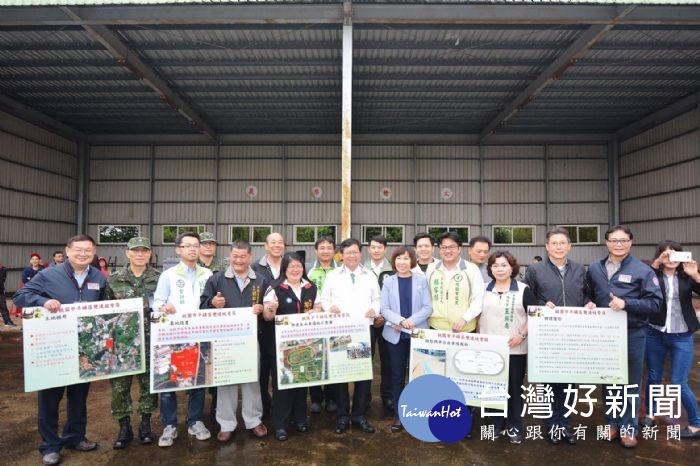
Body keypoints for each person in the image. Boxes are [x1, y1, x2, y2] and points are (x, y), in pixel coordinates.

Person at [13, 235, 106, 466]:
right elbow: (20, 296)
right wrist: (41, 301)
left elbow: (104, 305)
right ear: (67, 250)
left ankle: (75, 437)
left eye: (88, 251)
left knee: (79, 396)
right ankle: (50, 445)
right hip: (55, 346)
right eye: (78, 250)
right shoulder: (48, 274)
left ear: (94, 253)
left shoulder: (98, 277)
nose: (83, 254)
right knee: (49, 398)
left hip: (85, 347)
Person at [587, 225, 662, 448]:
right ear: (607, 242)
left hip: (632, 333)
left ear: (630, 243)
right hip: (603, 334)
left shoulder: (643, 270)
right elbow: (588, 293)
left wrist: (627, 303)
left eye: (623, 240)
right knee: (609, 382)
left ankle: (629, 428)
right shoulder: (595, 268)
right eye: (614, 240)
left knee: (630, 383)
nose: (618, 244)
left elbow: (655, 303)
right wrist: (587, 302)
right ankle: (612, 423)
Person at [524, 227, 595, 445]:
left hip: (572, 335)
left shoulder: (580, 270)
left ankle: (565, 424)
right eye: (554, 243)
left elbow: (587, 294)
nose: (558, 247)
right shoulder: (535, 270)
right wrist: (541, 304)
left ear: (569, 246)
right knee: (548, 383)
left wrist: (588, 303)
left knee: (569, 384)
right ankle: (551, 425)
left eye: (562, 243)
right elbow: (527, 298)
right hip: (547, 334)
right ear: (546, 246)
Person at [200, 240, 270, 442]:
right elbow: (202, 305)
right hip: (224, 340)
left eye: (243, 256)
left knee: (251, 380)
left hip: (250, 339)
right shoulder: (217, 279)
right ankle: (226, 423)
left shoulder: (261, 280)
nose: (238, 260)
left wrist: (262, 309)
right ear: (230, 256)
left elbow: (269, 306)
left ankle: (254, 420)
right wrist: (212, 303)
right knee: (226, 381)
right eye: (235, 256)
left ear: (250, 257)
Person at [152, 232, 213, 447]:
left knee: (197, 379)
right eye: (188, 246)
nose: (193, 250)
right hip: (173, 334)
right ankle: (169, 425)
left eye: (196, 246)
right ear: (178, 249)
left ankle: (195, 420)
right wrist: (163, 307)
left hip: (200, 332)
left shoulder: (207, 274)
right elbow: (157, 301)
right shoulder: (168, 275)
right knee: (169, 381)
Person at [641, 240, 700, 439]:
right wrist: (655, 265)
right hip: (655, 333)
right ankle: (650, 413)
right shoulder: (652, 274)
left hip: (682, 336)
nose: (671, 258)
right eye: (667, 254)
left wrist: (695, 275)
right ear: (660, 256)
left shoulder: (688, 276)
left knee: (678, 383)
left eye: (675, 254)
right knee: (653, 377)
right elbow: (641, 291)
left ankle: (696, 423)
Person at [105, 237, 160, 450]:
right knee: (120, 388)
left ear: (149, 253)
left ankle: (145, 425)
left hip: (150, 341)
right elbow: (105, 311)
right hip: (122, 344)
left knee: (149, 386)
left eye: (144, 251)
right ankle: (124, 427)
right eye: (135, 250)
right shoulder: (114, 279)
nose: (139, 254)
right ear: (127, 253)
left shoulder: (158, 278)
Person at [321, 238, 380, 435]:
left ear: (360, 253)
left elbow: (377, 299)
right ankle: (343, 416)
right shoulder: (333, 275)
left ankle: (358, 415)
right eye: (348, 253)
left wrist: (375, 309)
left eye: (355, 252)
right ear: (342, 255)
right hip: (340, 331)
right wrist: (331, 307)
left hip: (363, 330)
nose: (352, 256)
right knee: (341, 373)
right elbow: (324, 299)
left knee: (362, 372)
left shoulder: (369, 275)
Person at [263, 253, 321, 441]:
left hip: (304, 344)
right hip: (280, 347)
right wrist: (271, 308)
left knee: (301, 382)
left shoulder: (310, 287)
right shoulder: (275, 288)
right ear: (284, 269)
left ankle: (299, 420)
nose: (295, 270)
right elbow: (266, 317)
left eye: (299, 266)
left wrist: (316, 311)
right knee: (283, 385)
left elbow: (318, 306)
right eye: (291, 267)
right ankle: (281, 424)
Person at [479, 251, 535, 445]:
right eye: (495, 266)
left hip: (515, 349)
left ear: (512, 267)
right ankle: (495, 424)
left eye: (504, 265)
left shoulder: (523, 289)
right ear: (490, 269)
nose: (500, 269)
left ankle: (514, 426)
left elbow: (534, 314)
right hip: (489, 350)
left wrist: (522, 334)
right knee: (492, 387)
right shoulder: (484, 289)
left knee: (513, 389)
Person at [380, 246, 432, 433]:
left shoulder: (421, 280)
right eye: (399, 259)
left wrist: (409, 322)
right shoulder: (388, 281)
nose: (402, 262)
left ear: (412, 261)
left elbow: (427, 307)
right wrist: (400, 321)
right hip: (395, 335)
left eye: (406, 258)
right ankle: (399, 415)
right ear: (394, 262)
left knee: (418, 375)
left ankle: (419, 412)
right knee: (396, 376)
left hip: (418, 334)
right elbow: (384, 308)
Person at [252, 232, 286, 418]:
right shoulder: (255, 267)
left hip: (286, 325)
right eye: (273, 242)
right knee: (263, 369)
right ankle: (264, 406)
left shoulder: (290, 265)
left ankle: (282, 406)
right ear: (266, 246)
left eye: (280, 242)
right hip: (263, 327)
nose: (277, 245)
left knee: (282, 367)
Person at [306, 235, 339, 414]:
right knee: (315, 357)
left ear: (334, 251)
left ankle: (332, 397)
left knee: (333, 358)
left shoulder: (340, 269)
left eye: (329, 247)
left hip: (335, 323)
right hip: (314, 322)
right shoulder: (308, 270)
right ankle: (316, 398)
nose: (326, 251)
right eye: (322, 247)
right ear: (316, 250)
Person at [428, 231, 484, 333]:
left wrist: (465, 319)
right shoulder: (431, 269)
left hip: (465, 328)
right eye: (444, 247)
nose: (447, 250)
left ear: (459, 248)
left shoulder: (472, 269)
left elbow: (479, 298)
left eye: (452, 247)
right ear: (439, 249)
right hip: (436, 328)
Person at [363, 235, 393, 412]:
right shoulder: (362, 269)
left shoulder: (393, 269)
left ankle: (387, 396)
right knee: (365, 359)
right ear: (369, 249)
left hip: (388, 321)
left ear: (385, 249)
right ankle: (364, 397)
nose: (376, 250)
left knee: (387, 361)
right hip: (366, 322)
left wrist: (383, 315)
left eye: (379, 247)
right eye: (373, 247)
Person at [196, 231, 223, 417]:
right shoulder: (190, 267)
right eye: (204, 243)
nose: (208, 247)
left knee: (216, 364)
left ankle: (216, 404)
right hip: (195, 322)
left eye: (211, 243)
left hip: (217, 323)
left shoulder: (223, 267)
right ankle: (195, 411)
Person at [1, 262, 16, 327]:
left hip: (0, 291)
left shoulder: (3, 269)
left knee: (3, 307)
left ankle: (7, 321)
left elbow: (3, 280)